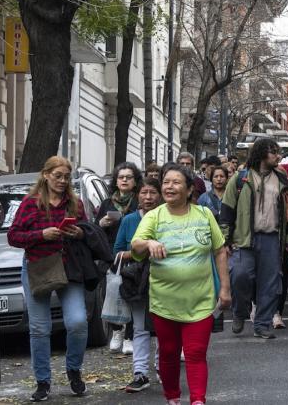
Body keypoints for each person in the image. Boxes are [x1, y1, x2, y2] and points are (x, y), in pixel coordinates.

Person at [131, 165, 230, 405]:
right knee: (169, 353)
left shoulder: (204, 215)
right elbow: (135, 245)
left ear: (188, 190)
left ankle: (198, 400)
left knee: (196, 354)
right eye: (166, 182)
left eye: (176, 182)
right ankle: (172, 397)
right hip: (164, 301)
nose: (169, 187)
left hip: (200, 300)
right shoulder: (155, 216)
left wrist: (225, 289)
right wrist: (149, 244)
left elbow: (219, 251)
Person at [7, 156, 90, 401]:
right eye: (58, 176)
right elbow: (13, 237)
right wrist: (41, 234)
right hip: (38, 267)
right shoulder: (30, 204)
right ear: (46, 175)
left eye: (66, 177)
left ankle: (73, 370)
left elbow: (88, 233)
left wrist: (79, 232)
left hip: (68, 268)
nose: (63, 181)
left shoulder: (75, 204)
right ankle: (42, 382)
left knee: (77, 322)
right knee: (39, 328)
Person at [219, 138, 288, 339]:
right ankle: (239, 312)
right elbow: (227, 210)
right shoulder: (240, 179)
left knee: (270, 283)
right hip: (243, 240)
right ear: (262, 153)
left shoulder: (282, 181)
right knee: (240, 276)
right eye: (274, 152)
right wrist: (226, 240)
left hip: (272, 239)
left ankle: (262, 324)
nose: (278, 156)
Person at [113, 178, 162, 393]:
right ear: (138, 196)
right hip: (136, 279)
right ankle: (140, 373)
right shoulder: (129, 220)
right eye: (144, 193)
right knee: (140, 327)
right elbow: (117, 252)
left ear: (159, 195)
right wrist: (137, 251)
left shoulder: (165, 218)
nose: (148, 197)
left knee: (163, 327)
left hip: (162, 277)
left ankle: (162, 368)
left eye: (153, 193)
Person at [96, 161, 142, 354]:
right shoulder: (108, 202)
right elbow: (96, 229)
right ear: (115, 180)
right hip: (112, 255)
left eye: (128, 177)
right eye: (121, 177)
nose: (124, 180)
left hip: (133, 253)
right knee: (112, 293)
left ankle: (130, 336)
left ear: (135, 181)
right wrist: (102, 223)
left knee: (130, 293)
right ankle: (117, 332)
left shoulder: (139, 201)